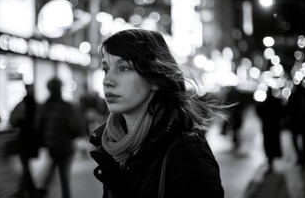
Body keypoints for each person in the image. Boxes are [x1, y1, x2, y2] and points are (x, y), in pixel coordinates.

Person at [89, 29, 224, 198]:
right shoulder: (115, 148)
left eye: (123, 68)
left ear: (154, 78)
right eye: (105, 69)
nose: (107, 81)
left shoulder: (187, 156)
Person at [37, 77, 81, 198]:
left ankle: (42, 190)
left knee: (53, 168)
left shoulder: (45, 106)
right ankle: (61, 194)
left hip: (52, 144)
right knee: (63, 174)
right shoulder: (66, 106)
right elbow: (74, 126)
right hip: (65, 144)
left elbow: (39, 125)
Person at [9, 84, 40, 198]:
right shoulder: (34, 105)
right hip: (29, 139)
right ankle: (28, 189)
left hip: (24, 138)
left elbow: (13, 120)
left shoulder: (23, 105)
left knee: (25, 164)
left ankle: (25, 189)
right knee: (26, 164)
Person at [255, 88, 285, 171]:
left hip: (267, 126)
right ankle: (272, 158)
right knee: (274, 142)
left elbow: (258, 111)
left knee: (268, 143)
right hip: (274, 126)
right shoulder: (276, 102)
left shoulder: (265, 102)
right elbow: (283, 111)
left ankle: (270, 159)